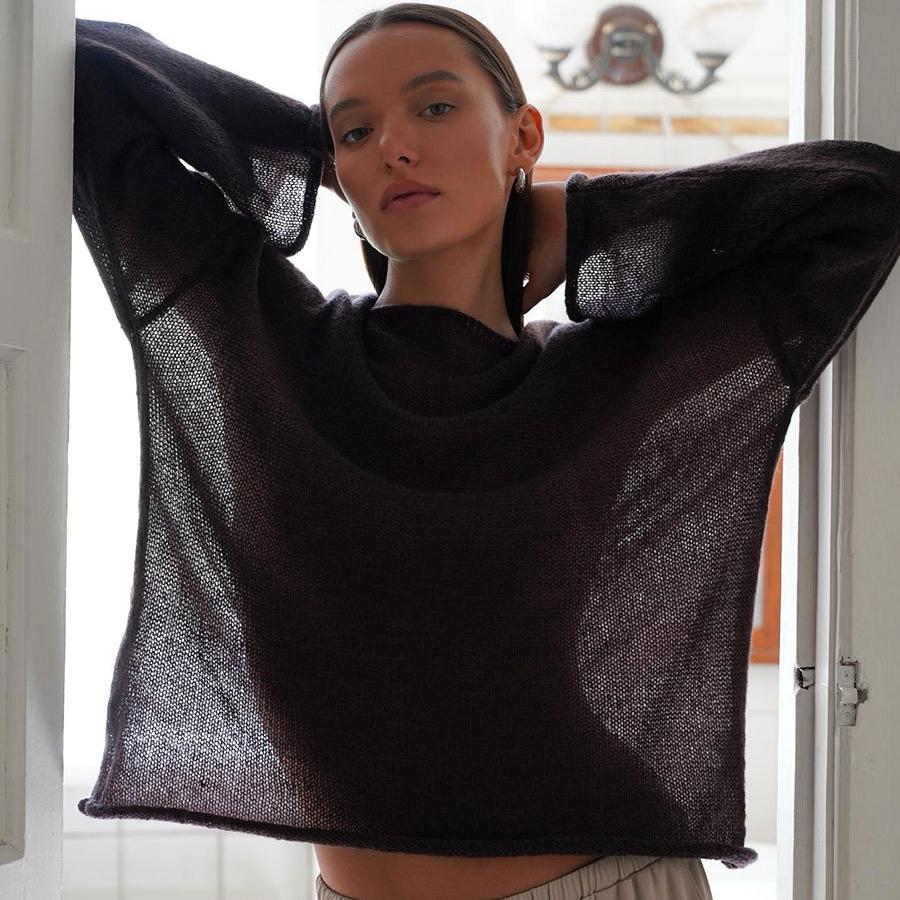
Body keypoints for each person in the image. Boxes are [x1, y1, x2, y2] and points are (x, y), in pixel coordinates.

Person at [71, 4, 900, 900]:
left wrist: (586, 223)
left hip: (604, 881)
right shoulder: (262, 339)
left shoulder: (606, 380)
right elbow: (86, 68)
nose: (395, 146)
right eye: (357, 128)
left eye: (434, 108)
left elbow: (861, 200)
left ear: (523, 136)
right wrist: (309, 155)